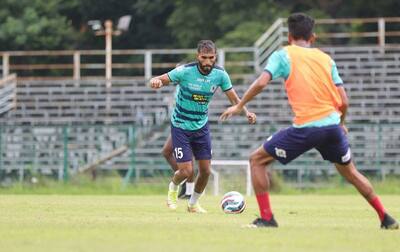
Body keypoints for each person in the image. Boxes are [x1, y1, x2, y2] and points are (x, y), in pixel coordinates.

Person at [220, 13, 399, 229]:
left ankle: (267, 218)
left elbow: (261, 83)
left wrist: (240, 105)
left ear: (289, 37)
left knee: (257, 160)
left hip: (307, 127)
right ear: (312, 37)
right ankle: (385, 218)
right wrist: (341, 122)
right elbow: (344, 100)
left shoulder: (283, 55)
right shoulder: (326, 59)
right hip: (333, 126)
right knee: (351, 172)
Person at [150, 39, 256, 213]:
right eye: (204, 57)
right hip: (181, 126)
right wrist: (155, 81)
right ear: (197, 56)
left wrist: (247, 112)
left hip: (201, 127)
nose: (207, 62)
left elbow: (235, 100)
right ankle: (173, 188)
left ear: (216, 57)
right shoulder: (185, 72)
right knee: (185, 171)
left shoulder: (220, 75)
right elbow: (161, 79)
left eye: (211, 57)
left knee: (205, 171)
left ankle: (193, 204)